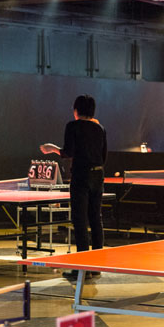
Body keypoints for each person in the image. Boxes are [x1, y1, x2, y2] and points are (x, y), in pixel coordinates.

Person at [40, 95, 107, 281]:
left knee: (80, 220)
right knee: (95, 219)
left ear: (76, 110)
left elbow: (68, 152)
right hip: (98, 175)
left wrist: (52, 148)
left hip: (81, 175)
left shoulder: (73, 126)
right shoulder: (100, 128)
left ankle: (82, 267)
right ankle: (96, 266)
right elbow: (104, 155)